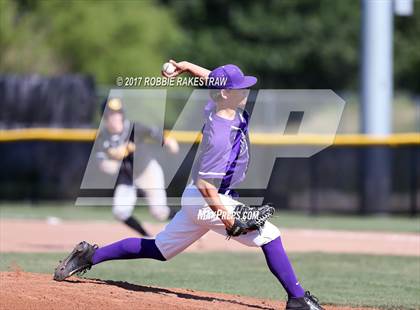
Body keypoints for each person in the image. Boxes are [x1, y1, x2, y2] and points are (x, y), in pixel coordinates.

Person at [54, 61, 324, 310]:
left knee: (160, 249)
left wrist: (186, 66)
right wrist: (228, 219)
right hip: (208, 198)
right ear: (226, 94)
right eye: (239, 86)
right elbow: (206, 185)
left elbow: (214, 81)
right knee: (270, 235)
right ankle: (297, 298)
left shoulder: (225, 106)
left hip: (200, 198)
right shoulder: (221, 133)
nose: (246, 89)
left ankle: (90, 256)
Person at [96, 97, 179, 236]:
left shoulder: (134, 128)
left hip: (147, 171)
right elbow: (104, 163)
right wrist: (116, 157)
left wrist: (169, 142)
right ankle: (146, 235)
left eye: (118, 113)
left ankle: (191, 222)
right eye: (111, 114)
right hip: (127, 176)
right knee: (120, 212)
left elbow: (156, 134)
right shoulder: (103, 136)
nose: (116, 117)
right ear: (104, 117)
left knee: (160, 212)